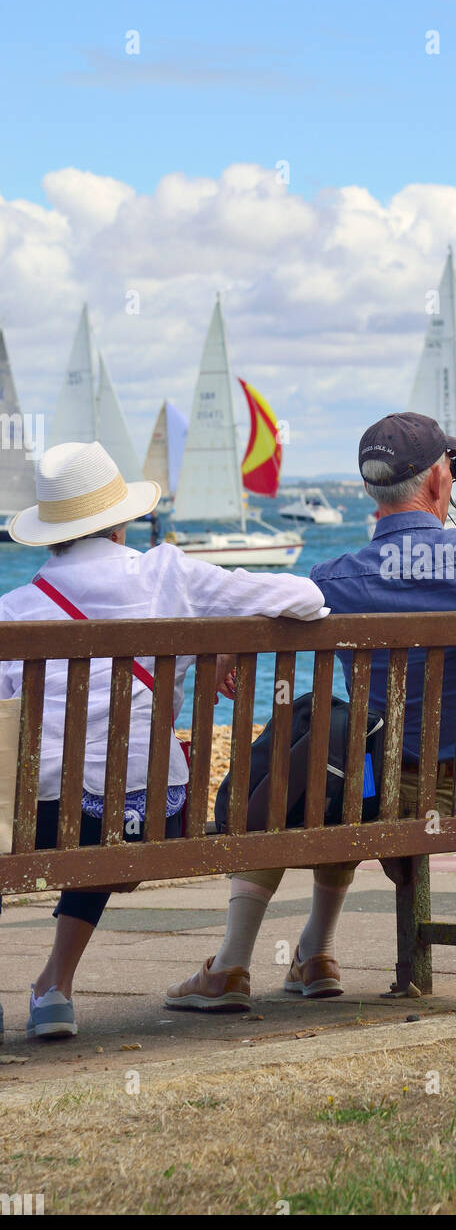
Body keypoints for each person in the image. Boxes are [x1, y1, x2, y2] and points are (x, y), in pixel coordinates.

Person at [166, 411, 456, 1008]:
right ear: (444, 481)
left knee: (316, 755)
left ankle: (238, 963)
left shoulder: (335, 578)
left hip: (372, 795)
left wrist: (229, 653)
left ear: (371, 489)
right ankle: (314, 954)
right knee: (334, 746)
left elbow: (267, 611)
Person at [0, 441, 328, 1040]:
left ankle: (52, 992)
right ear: (120, 521)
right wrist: (224, 642)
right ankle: (53, 987)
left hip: (30, 825)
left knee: (51, 799)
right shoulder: (165, 573)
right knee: (101, 794)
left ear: (51, 533)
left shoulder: (14, 612)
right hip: (146, 816)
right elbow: (307, 599)